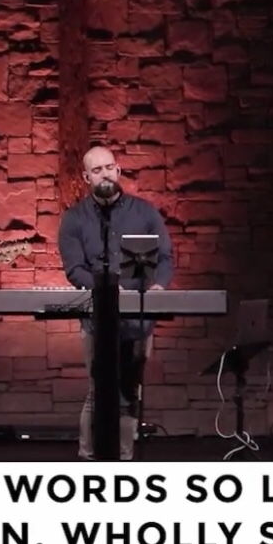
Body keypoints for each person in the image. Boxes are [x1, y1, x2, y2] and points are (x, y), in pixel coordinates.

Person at [58, 144, 174, 461]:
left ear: (118, 170)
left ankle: (124, 461)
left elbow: (164, 257)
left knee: (130, 390)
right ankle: (88, 458)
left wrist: (159, 286)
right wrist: (107, 291)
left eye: (109, 167)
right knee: (99, 389)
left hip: (137, 320)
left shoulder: (144, 212)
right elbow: (75, 269)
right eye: (97, 170)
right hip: (98, 320)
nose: (105, 174)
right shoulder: (74, 219)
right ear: (87, 178)